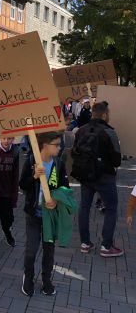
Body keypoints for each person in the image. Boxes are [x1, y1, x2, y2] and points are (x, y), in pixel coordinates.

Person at [20, 131, 69, 297]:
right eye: (56, 144)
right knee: (31, 249)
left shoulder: (59, 164)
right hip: (33, 214)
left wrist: (56, 200)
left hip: (50, 216)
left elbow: (65, 188)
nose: (59, 147)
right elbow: (22, 185)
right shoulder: (32, 161)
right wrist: (34, 176)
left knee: (49, 250)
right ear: (45, 146)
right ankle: (28, 277)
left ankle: (46, 279)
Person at [73, 102, 123, 257]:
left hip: (86, 175)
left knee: (84, 207)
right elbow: (117, 160)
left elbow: (75, 152)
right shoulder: (109, 132)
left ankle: (85, 243)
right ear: (104, 115)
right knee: (111, 208)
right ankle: (106, 246)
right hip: (105, 177)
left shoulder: (81, 130)